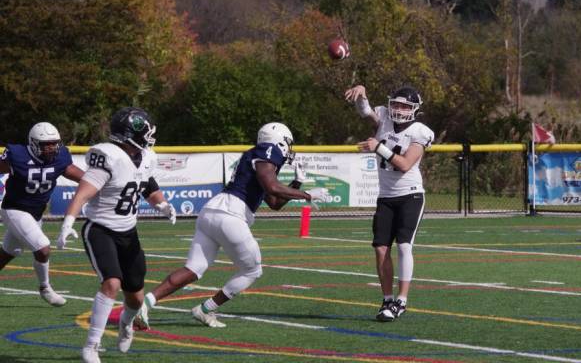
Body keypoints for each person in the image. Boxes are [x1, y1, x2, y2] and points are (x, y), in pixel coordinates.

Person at [134, 122, 328, 329]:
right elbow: (272, 186)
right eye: (288, 143)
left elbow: (274, 203)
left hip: (211, 213)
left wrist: (297, 183)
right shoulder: (268, 150)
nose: (289, 148)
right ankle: (206, 309)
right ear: (278, 141)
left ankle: (145, 304)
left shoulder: (259, 158)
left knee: (193, 268)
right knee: (252, 271)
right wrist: (306, 195)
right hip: (231, 215)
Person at [56, 107, 176, 363]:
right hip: (100, 229)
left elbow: (149, 187)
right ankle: (91, 345)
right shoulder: (108, 156)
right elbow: (83, 193)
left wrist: (163, 205)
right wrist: (68, 222)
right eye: (145, 131)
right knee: (111, 283)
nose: (150, 135)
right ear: (130, 134)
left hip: (128, 232)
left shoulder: (145, 157)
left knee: (135, 297)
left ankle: (125, 324)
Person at [344, 84, 434, 322]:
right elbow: (365, 111)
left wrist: (379, 147)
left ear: (414, 109)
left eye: (405, 106)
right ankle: (387, 299)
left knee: (404, 245)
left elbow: (405, 164)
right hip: (385, 195)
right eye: (396, 104)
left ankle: (401, 302)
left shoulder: (419, 131)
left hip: (410, 194)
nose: (399, 109)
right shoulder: (383, 116)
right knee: (380, 248)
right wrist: (362, 93)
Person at [0, 122, 84, 306]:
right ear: (33, 143)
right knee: (43, 247)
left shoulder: (60, 157)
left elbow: (77, 175)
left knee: (8, 252)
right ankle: (45, 287)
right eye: (45, 144)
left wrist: (98, 183)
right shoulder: (17, 155)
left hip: (36, 214)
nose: (50, 148)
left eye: (53, 143)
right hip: (14, 209)